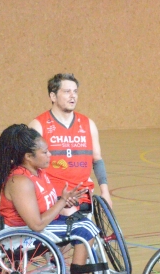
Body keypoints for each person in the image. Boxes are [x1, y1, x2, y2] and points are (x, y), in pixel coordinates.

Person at [0, 124, 101, 274]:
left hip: (34, 230)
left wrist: (63, 201)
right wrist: (61, 202)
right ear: (29, 156)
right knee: (86, 230)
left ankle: (77, 273)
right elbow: (36, 224)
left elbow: (42, 204)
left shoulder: (38, 172)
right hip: (22, 237)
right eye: (45, 152)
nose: (49, 155)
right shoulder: (20, 181)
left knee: (82, 222)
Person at [29, 73, 111, 216]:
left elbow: (97, 160)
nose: (72, 96)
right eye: (67, 92)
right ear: (53, 96)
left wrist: (105, 192)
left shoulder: (88, 124)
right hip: (53, 196)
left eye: (75, 92)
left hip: (83, 195)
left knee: (87, 235)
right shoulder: (38, 126)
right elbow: (29, 166)